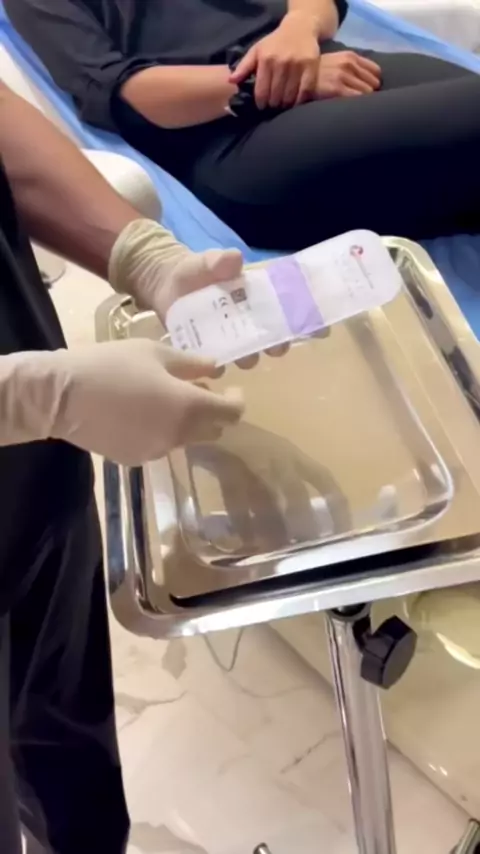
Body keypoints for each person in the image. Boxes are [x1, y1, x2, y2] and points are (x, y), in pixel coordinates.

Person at [0, 80, 247, 854]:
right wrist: (27, 397)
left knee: (68, 748)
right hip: (36, 413)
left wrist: (143, 255)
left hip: (35, 483)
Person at [6, 0, 480, 252]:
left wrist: (298, 29)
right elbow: (118, 91)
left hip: (331, 65)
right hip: (232, 136)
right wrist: (263, 82)